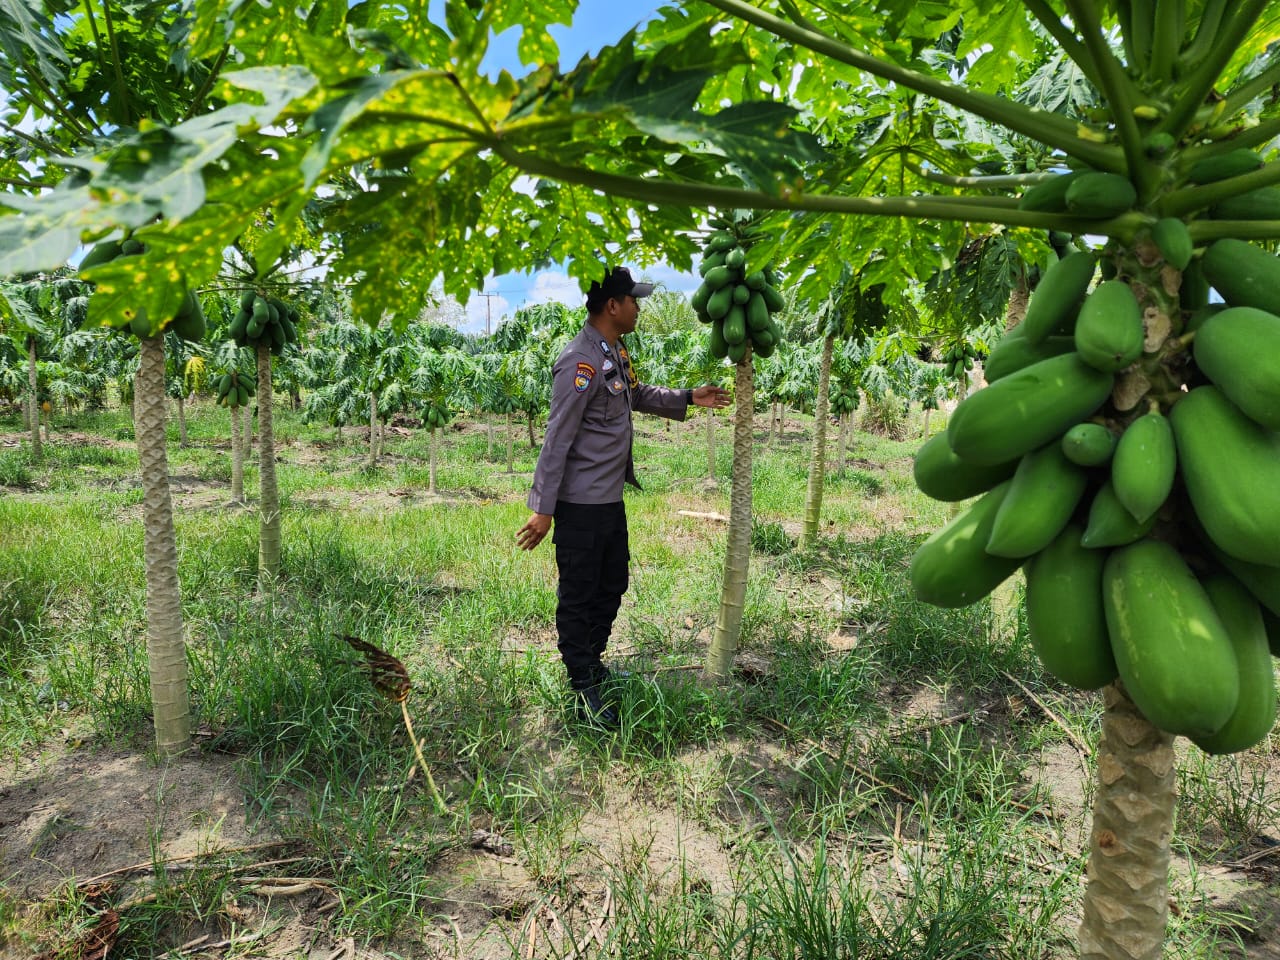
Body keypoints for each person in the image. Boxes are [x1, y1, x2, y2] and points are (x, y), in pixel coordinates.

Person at [515, 266, 732, 726]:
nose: (639, 306)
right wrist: (543, 509)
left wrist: (690, 397)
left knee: (612, 584)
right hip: (579, 505)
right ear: (612, 305)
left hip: (608, 500)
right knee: (579, 594)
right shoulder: (580, 362)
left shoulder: (615, 350)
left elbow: (635, 394)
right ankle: (582, 687)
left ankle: (592, 664)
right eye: (633, 299)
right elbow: (557, 439)